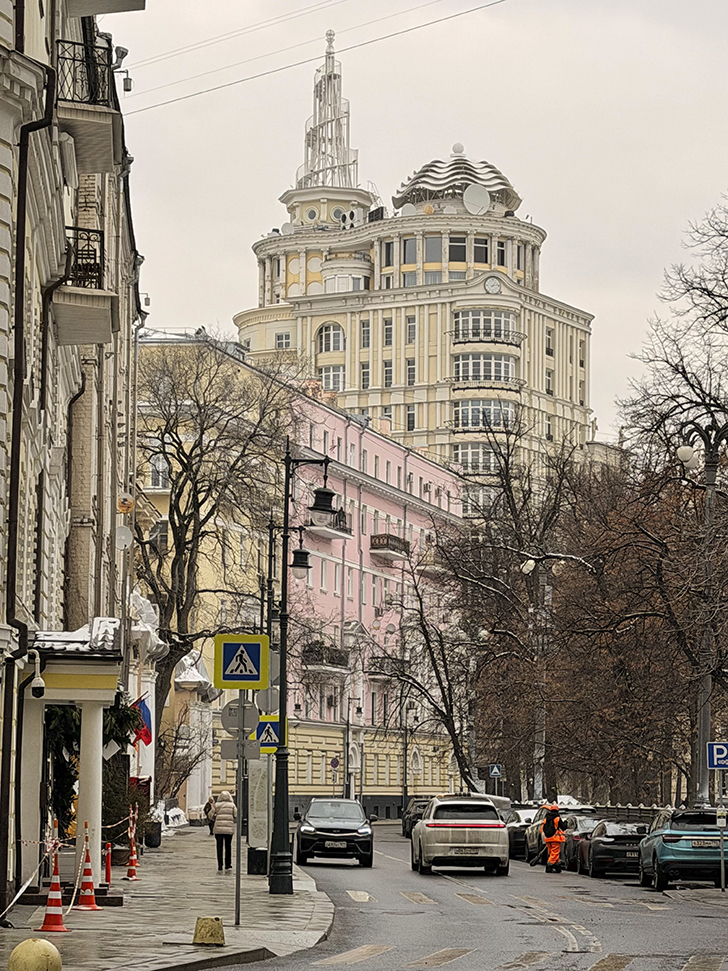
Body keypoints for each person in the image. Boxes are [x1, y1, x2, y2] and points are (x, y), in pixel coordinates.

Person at [209, 790, 236, 871]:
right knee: (228, 846)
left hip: (218, 830)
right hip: (229, 829)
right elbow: (236, 814)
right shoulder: (232, 805)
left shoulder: (216, 805)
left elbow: (210, 815)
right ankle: (228, 864)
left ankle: (220, 865)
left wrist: (215, 817)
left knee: (219, 847)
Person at [540, 803, 566, 873]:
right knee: (555, 853)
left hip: (548, 838)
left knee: (551, 853)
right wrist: (565, 823)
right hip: (555, 838)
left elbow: (542, 828)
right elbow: (563, 827)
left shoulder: (546, 818)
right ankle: (549, 865)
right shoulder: (557, 818)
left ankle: (557, 866)